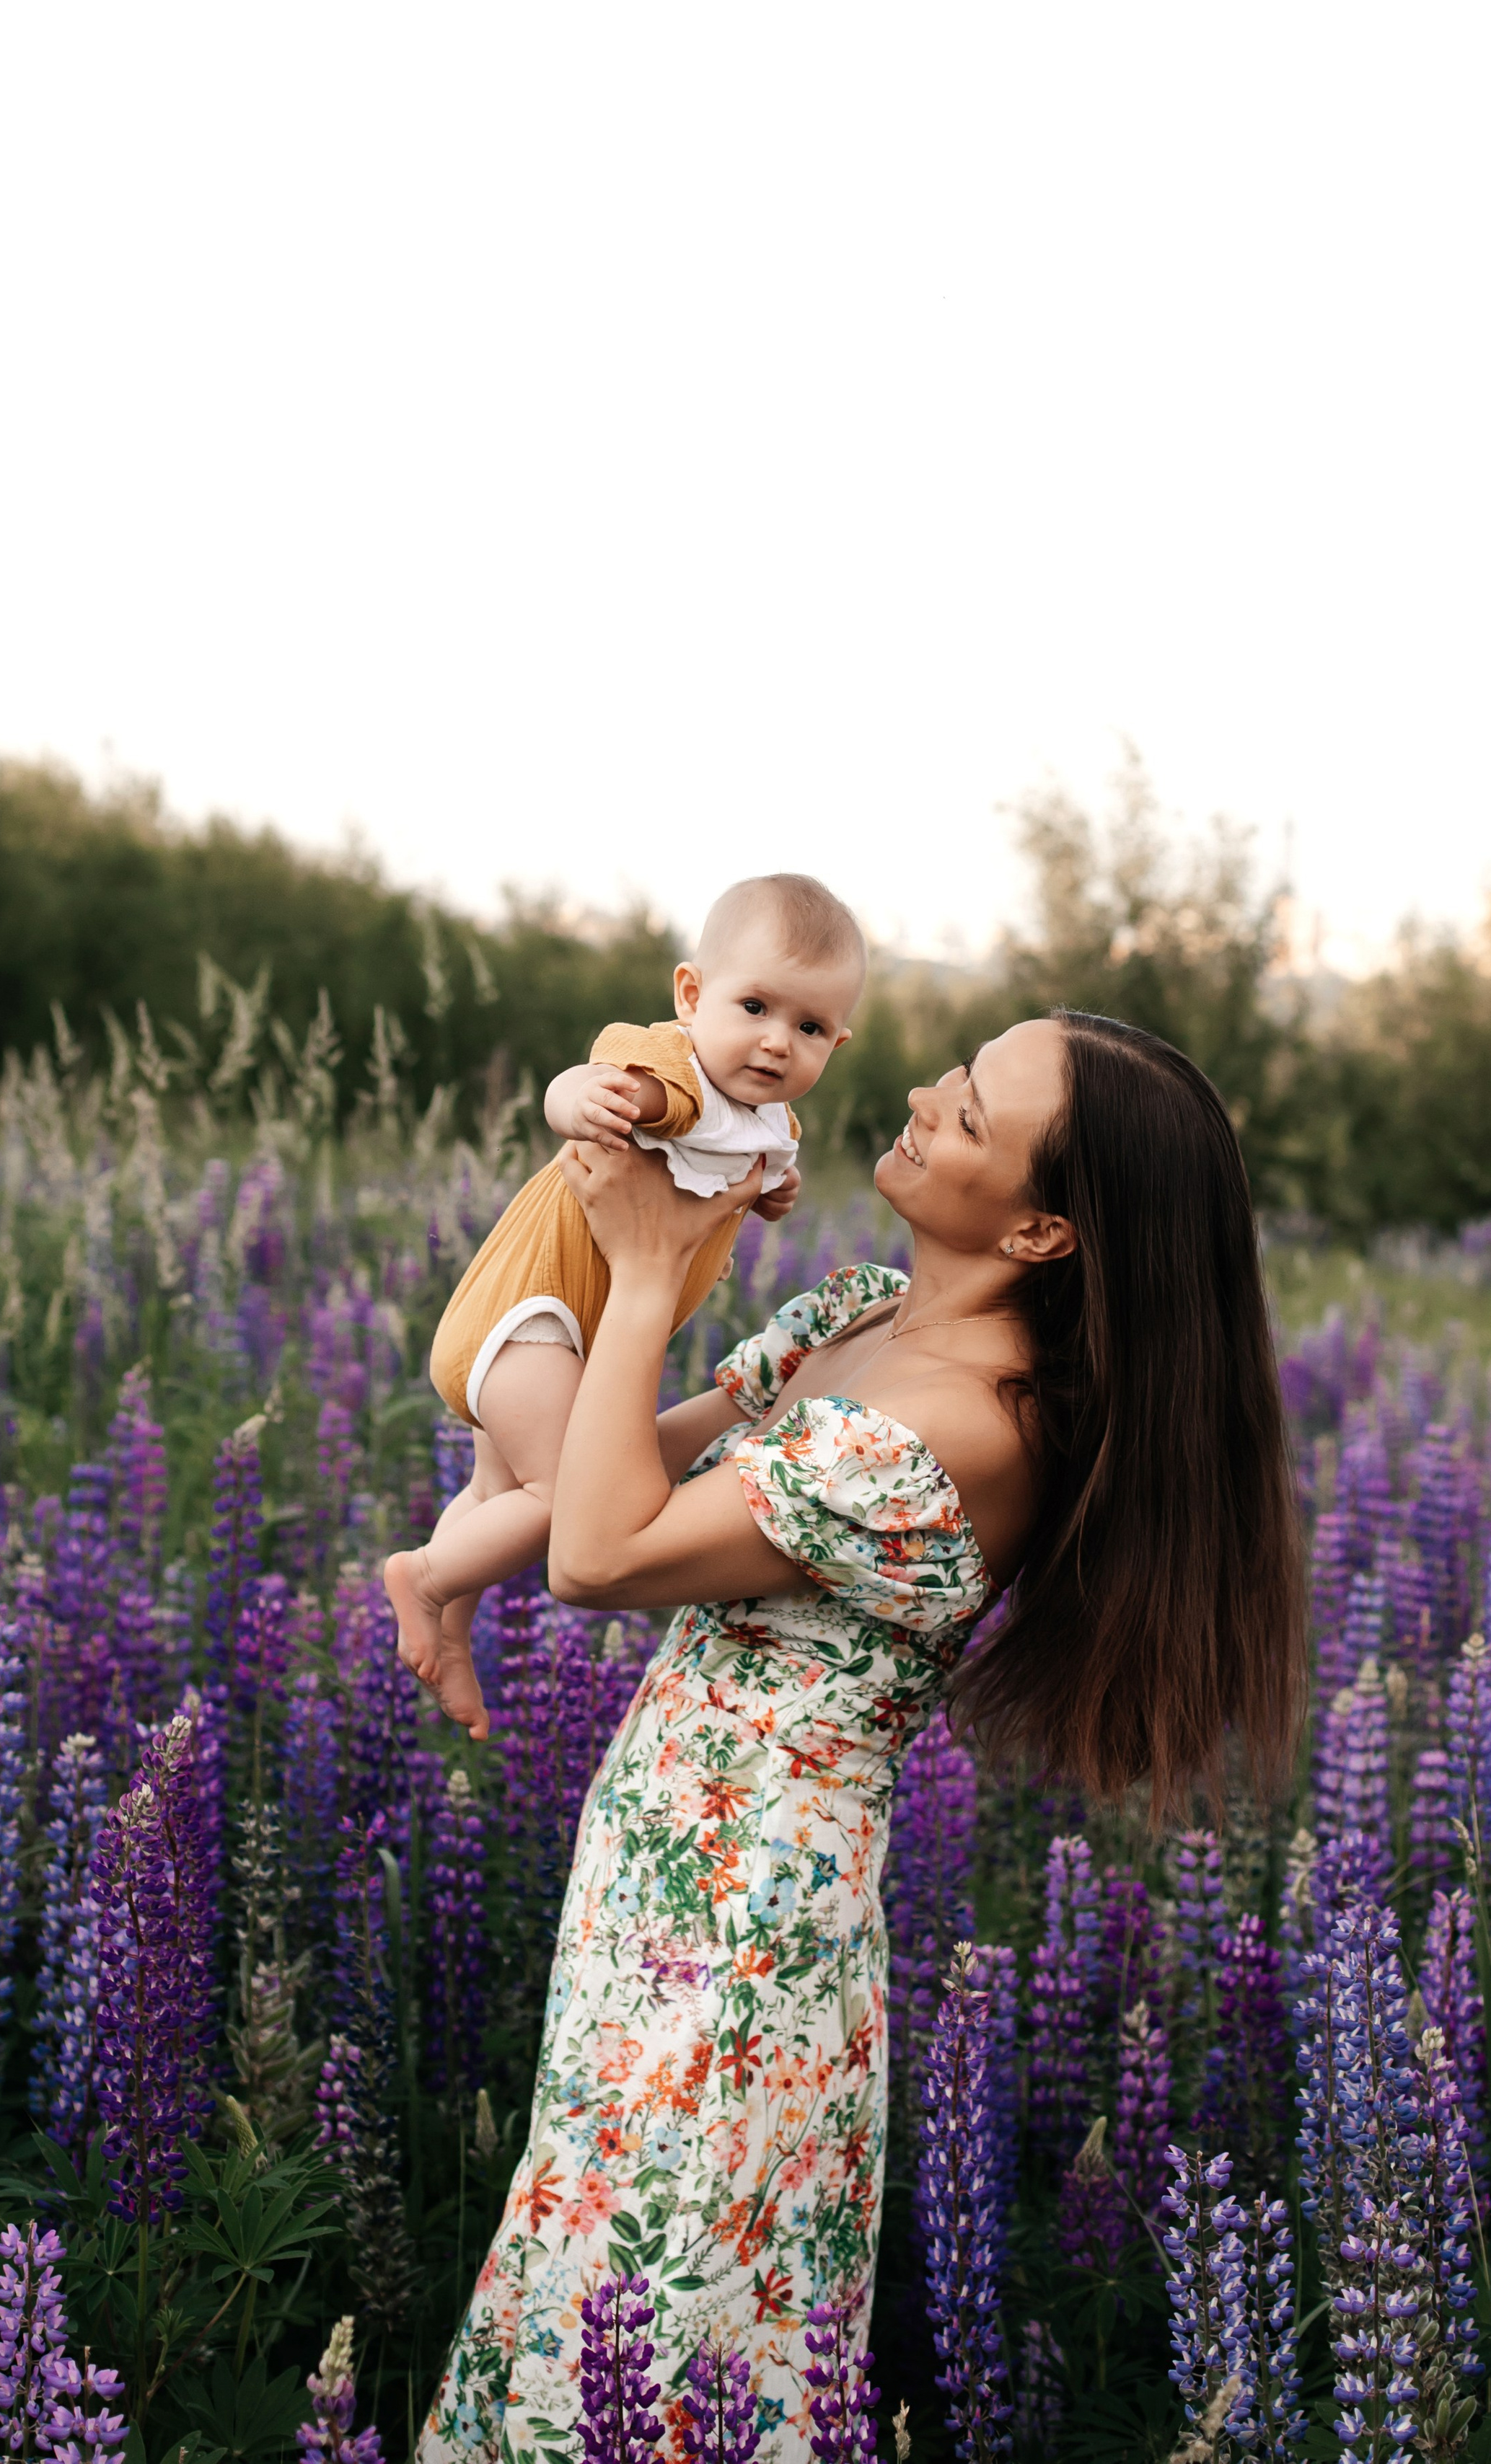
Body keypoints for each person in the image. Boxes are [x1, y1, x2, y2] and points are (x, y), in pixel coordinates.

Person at [414, 1012, 1308, 2463]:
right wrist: (556, 1302)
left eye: (965, 1111)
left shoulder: (958, 1435)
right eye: (953, 1076)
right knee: (578, 2311)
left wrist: (642, 1269)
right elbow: (609, 1459)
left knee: (654, 2337)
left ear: (1038, 1232)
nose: (915, 1094)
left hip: (747, 1954)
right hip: (649, 1899)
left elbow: (598, 1553)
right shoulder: (859, 1316)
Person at [386, 873, 866, 1737]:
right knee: (566, 1494)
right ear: (690, 994)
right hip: (531, 1316)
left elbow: (756, 1169)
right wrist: (583, 1100)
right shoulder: (675, 1075)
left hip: (560, 1339)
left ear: (838, 1038)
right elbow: (599, 1086)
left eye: (808, 1028)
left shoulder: (774, 1123)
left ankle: (449, 1624)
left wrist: (773, 1197)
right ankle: (424, 1577)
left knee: (496, 1485)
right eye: (752, 1006)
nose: (774, 1044)